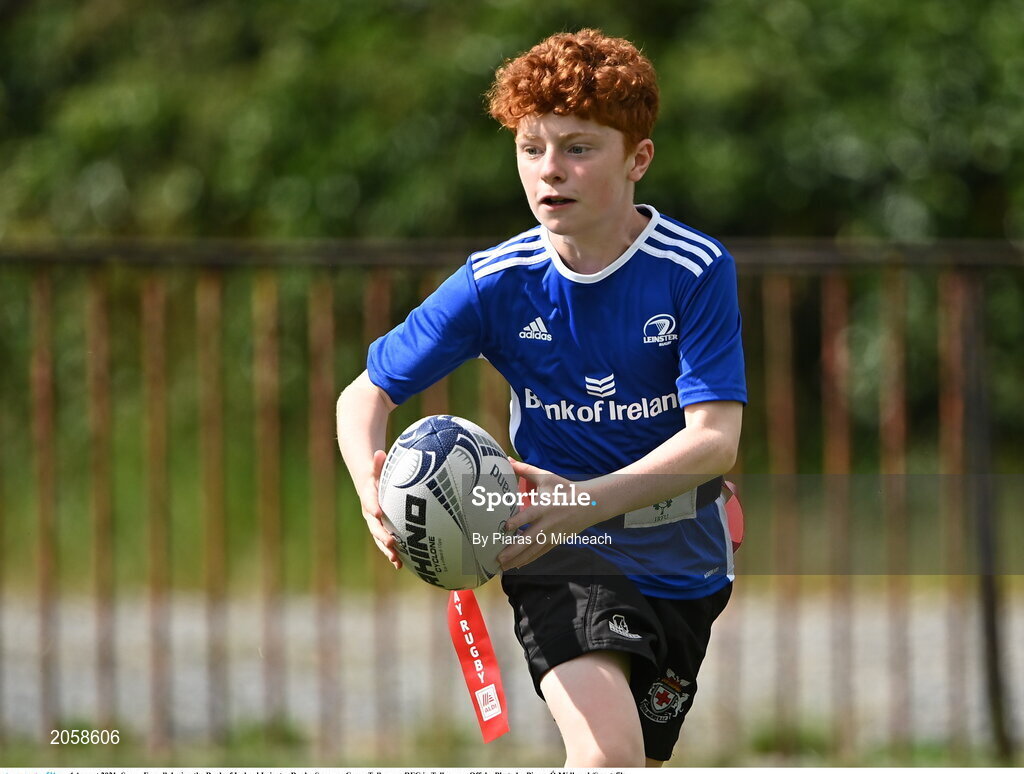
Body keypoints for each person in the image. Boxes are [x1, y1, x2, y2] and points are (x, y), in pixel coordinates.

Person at [337, 29, 746, 767]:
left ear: (637, 160)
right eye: (532, 148)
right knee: (605, 756)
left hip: (686, 563)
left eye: (579, 148)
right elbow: (363, 395)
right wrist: (372, 484)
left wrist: (589, 495)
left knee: (632, 760)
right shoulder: (496, 281)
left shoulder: (692, 269)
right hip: (555, 549)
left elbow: (716, 439)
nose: (550, 170)